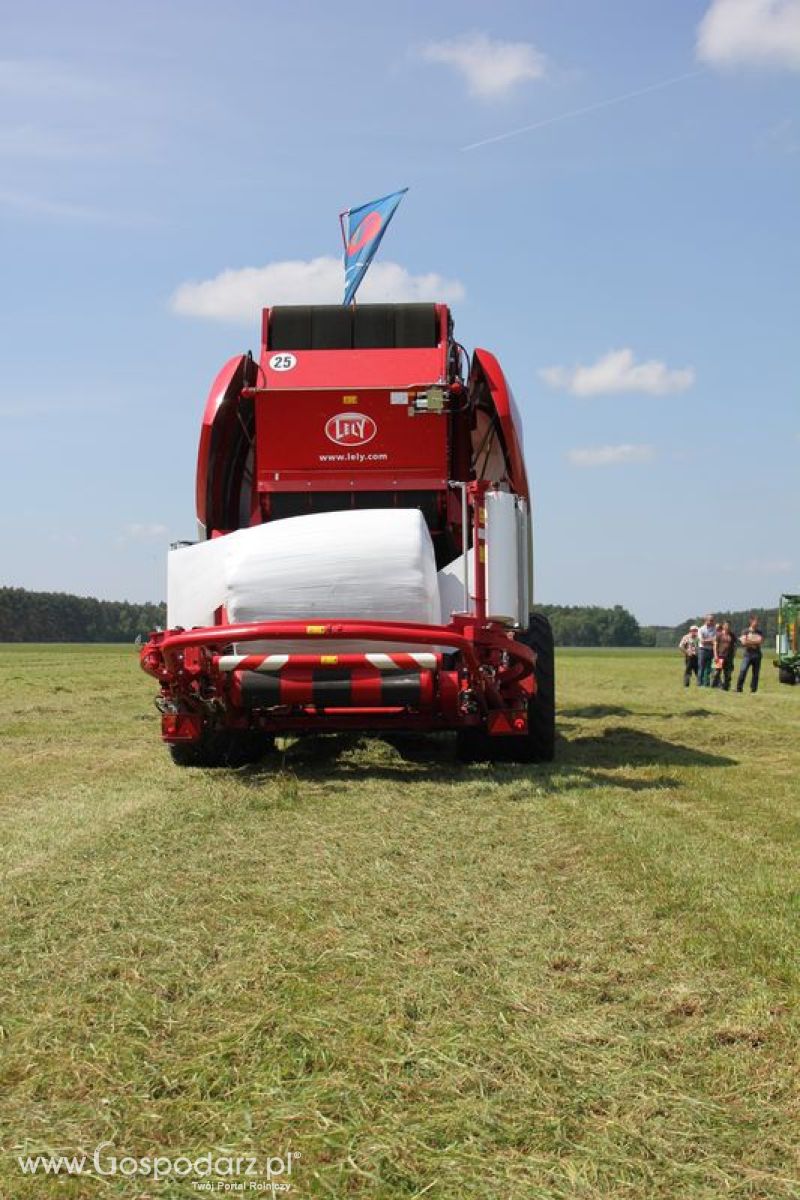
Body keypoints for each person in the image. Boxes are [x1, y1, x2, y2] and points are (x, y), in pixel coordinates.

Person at [737, 616, 765, 693]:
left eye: (757, 621)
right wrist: (754, 643)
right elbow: (743, 642)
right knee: (743, 670)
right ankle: (739, 688)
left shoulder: (760, 632)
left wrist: (749, 641)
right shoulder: (745, 631)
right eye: (755, 621)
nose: (757, 623)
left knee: (755, 674)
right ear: (751, 621)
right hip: (747, 655)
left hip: (757, 655)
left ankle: (753, 690)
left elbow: (760, 641)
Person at [711, 620, 736, 690]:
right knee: (716, 673)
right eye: (726, 625)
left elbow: (734, 646)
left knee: (727, 674)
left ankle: (725, 688)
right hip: (719, 656)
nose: (727, 627)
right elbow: (715, 646)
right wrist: (715, 656)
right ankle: (713, 686)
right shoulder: (719, 634)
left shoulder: (732, 635)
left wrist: (733, 655)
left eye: (729, 625)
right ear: (723, 626)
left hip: (729, 657)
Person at [697, 614, 717, 687]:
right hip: (702, 650)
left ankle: (707, 684)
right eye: (711, 620)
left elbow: (715, 640)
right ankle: (700, 684)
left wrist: (707, 640)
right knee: (701, 667)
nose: (712, 622)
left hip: (711, 650)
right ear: (706, 621)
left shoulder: (715, 629)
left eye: (713, 620)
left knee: (710, 668)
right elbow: (702, 641)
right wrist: (711, 640)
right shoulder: (701, 629)